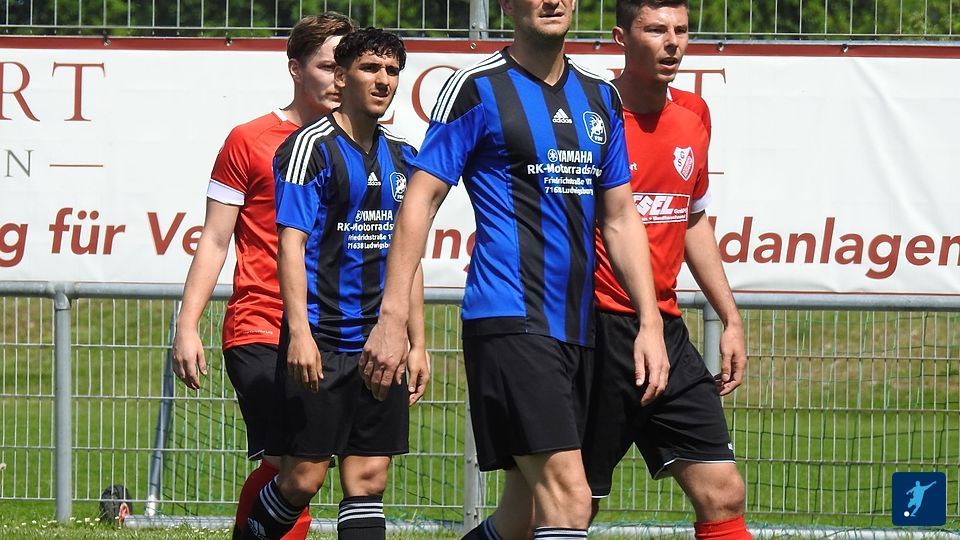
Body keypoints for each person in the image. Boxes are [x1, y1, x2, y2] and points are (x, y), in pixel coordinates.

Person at [360, 1, 669, 539]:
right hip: (508, 320)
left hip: (578, 329)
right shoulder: (476, 88)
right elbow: (420, 200)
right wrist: (392, 319)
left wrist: (650, 321)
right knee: (571, 500)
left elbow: (620, 217)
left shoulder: (601, 96)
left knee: (520, 518)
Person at [240, 27, 429, 540]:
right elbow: (291, 245)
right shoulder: (309, 148)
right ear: (342, 77)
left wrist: (415, 341)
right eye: (370, 68)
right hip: (321, 338)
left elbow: (407, 258)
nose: (383, 80)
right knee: (303, 478)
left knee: (369, 479)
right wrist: (299, 334)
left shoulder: (405, 156)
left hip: (379, 342)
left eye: (392, 71)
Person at [171, 13, 354, 540]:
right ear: (295, 68)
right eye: (328, 66)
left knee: (327, 469)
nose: (340, 78)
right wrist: (187, 326)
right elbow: (215, 239)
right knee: (292, 461)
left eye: (347, 66)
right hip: (262, 326)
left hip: (337, 329)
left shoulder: (367, 144)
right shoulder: (249, 140)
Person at [581, 1, 751, 539]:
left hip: (665, 328)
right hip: (597, 329)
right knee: (570, 507)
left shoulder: (695, 113)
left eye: (681, 29)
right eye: (655, 29)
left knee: (722, 492)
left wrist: (730, 317)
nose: (672, 42)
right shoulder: (592, 116)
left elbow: (691, 218)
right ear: (620, 37)